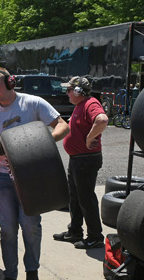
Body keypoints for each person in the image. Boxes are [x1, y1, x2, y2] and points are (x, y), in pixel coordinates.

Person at [0, 67, 69, 280]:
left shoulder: (33, 103)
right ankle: (10, 274)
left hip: (31, 177)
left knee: (30, 225)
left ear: (10, 83)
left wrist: (43, 141)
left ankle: (32, 271)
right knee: (7, 228)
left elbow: (63, 126)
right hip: (2, 177)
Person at [53, 76, 109, 249]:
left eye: (69, 90)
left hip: (86, 159)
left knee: (86, 198)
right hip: (77, 159)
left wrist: (89, 138)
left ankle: (95, 237)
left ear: (78, 91)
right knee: (75, 197)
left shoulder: (91, 104)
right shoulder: (80, 105)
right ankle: (75, 231)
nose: (67, 93)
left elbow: (102, 120)